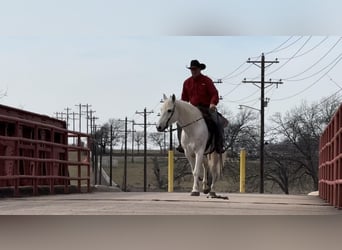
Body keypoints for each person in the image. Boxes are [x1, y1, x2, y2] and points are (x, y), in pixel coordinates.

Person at [176, 59, 225, 154]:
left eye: (195, 69)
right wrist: (183, 110)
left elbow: (214, 93)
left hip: (207, 108)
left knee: (217, 121)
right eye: (192, 69)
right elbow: (184, 98)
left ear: (199, 69)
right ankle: (182, 144)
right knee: (179, 122)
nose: (193, 71)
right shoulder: (187, 82)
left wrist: (213, 103)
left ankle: (219, 144)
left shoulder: (207, 81)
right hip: (192, 109)